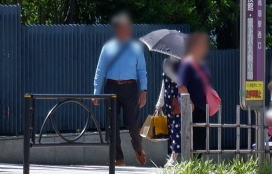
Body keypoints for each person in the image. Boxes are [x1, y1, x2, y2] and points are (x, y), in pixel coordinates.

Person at [92, 12, 148, 165]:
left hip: (130, 88)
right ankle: (118, 157)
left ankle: (138, 149)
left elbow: (142, 71)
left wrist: (144, 90)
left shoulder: (136, 48)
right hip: (111, 87)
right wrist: (96, 91)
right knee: (112, 124)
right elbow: (100, 70)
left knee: (132, 123)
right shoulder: (108, 48)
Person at [161, 30, 217, 162]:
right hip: (191, 105)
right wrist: (188, 102)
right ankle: (182, 161)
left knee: (199, 137)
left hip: (201, 104)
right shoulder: (183, 64)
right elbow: (181, 85)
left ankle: (196, 164)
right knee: (185, 133)